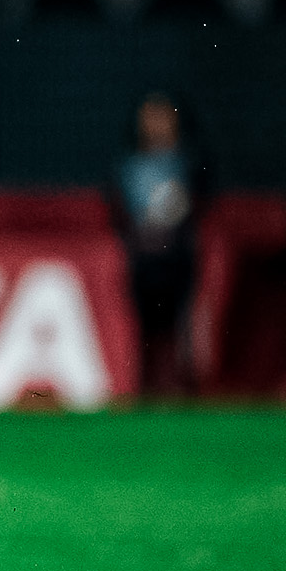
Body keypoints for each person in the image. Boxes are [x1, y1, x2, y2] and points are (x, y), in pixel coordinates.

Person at [109, 91, 207, 396]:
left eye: (163, 116)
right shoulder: (128, 165)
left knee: (180, 326)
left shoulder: (189, 162)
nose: (156, 124)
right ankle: (142, 385)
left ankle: (182, 385)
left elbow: (198, 205)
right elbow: (119, 213)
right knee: (141, 327)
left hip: (179, 258)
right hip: (141, 261)